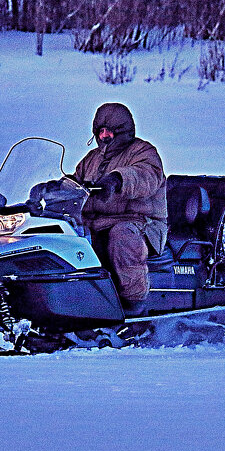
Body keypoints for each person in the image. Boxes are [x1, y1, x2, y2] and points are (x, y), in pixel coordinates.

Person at [73, 103, 168, 315]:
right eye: (100, 131)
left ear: (123, 131)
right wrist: (52, 189)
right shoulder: (92, 159)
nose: (104, 136)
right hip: (98, 222)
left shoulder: (143, 152)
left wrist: (118, 179)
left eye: (110, 131)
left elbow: (146, 175)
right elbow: (75, 183)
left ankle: (133, 302)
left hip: (141, 222)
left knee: (122, 236)